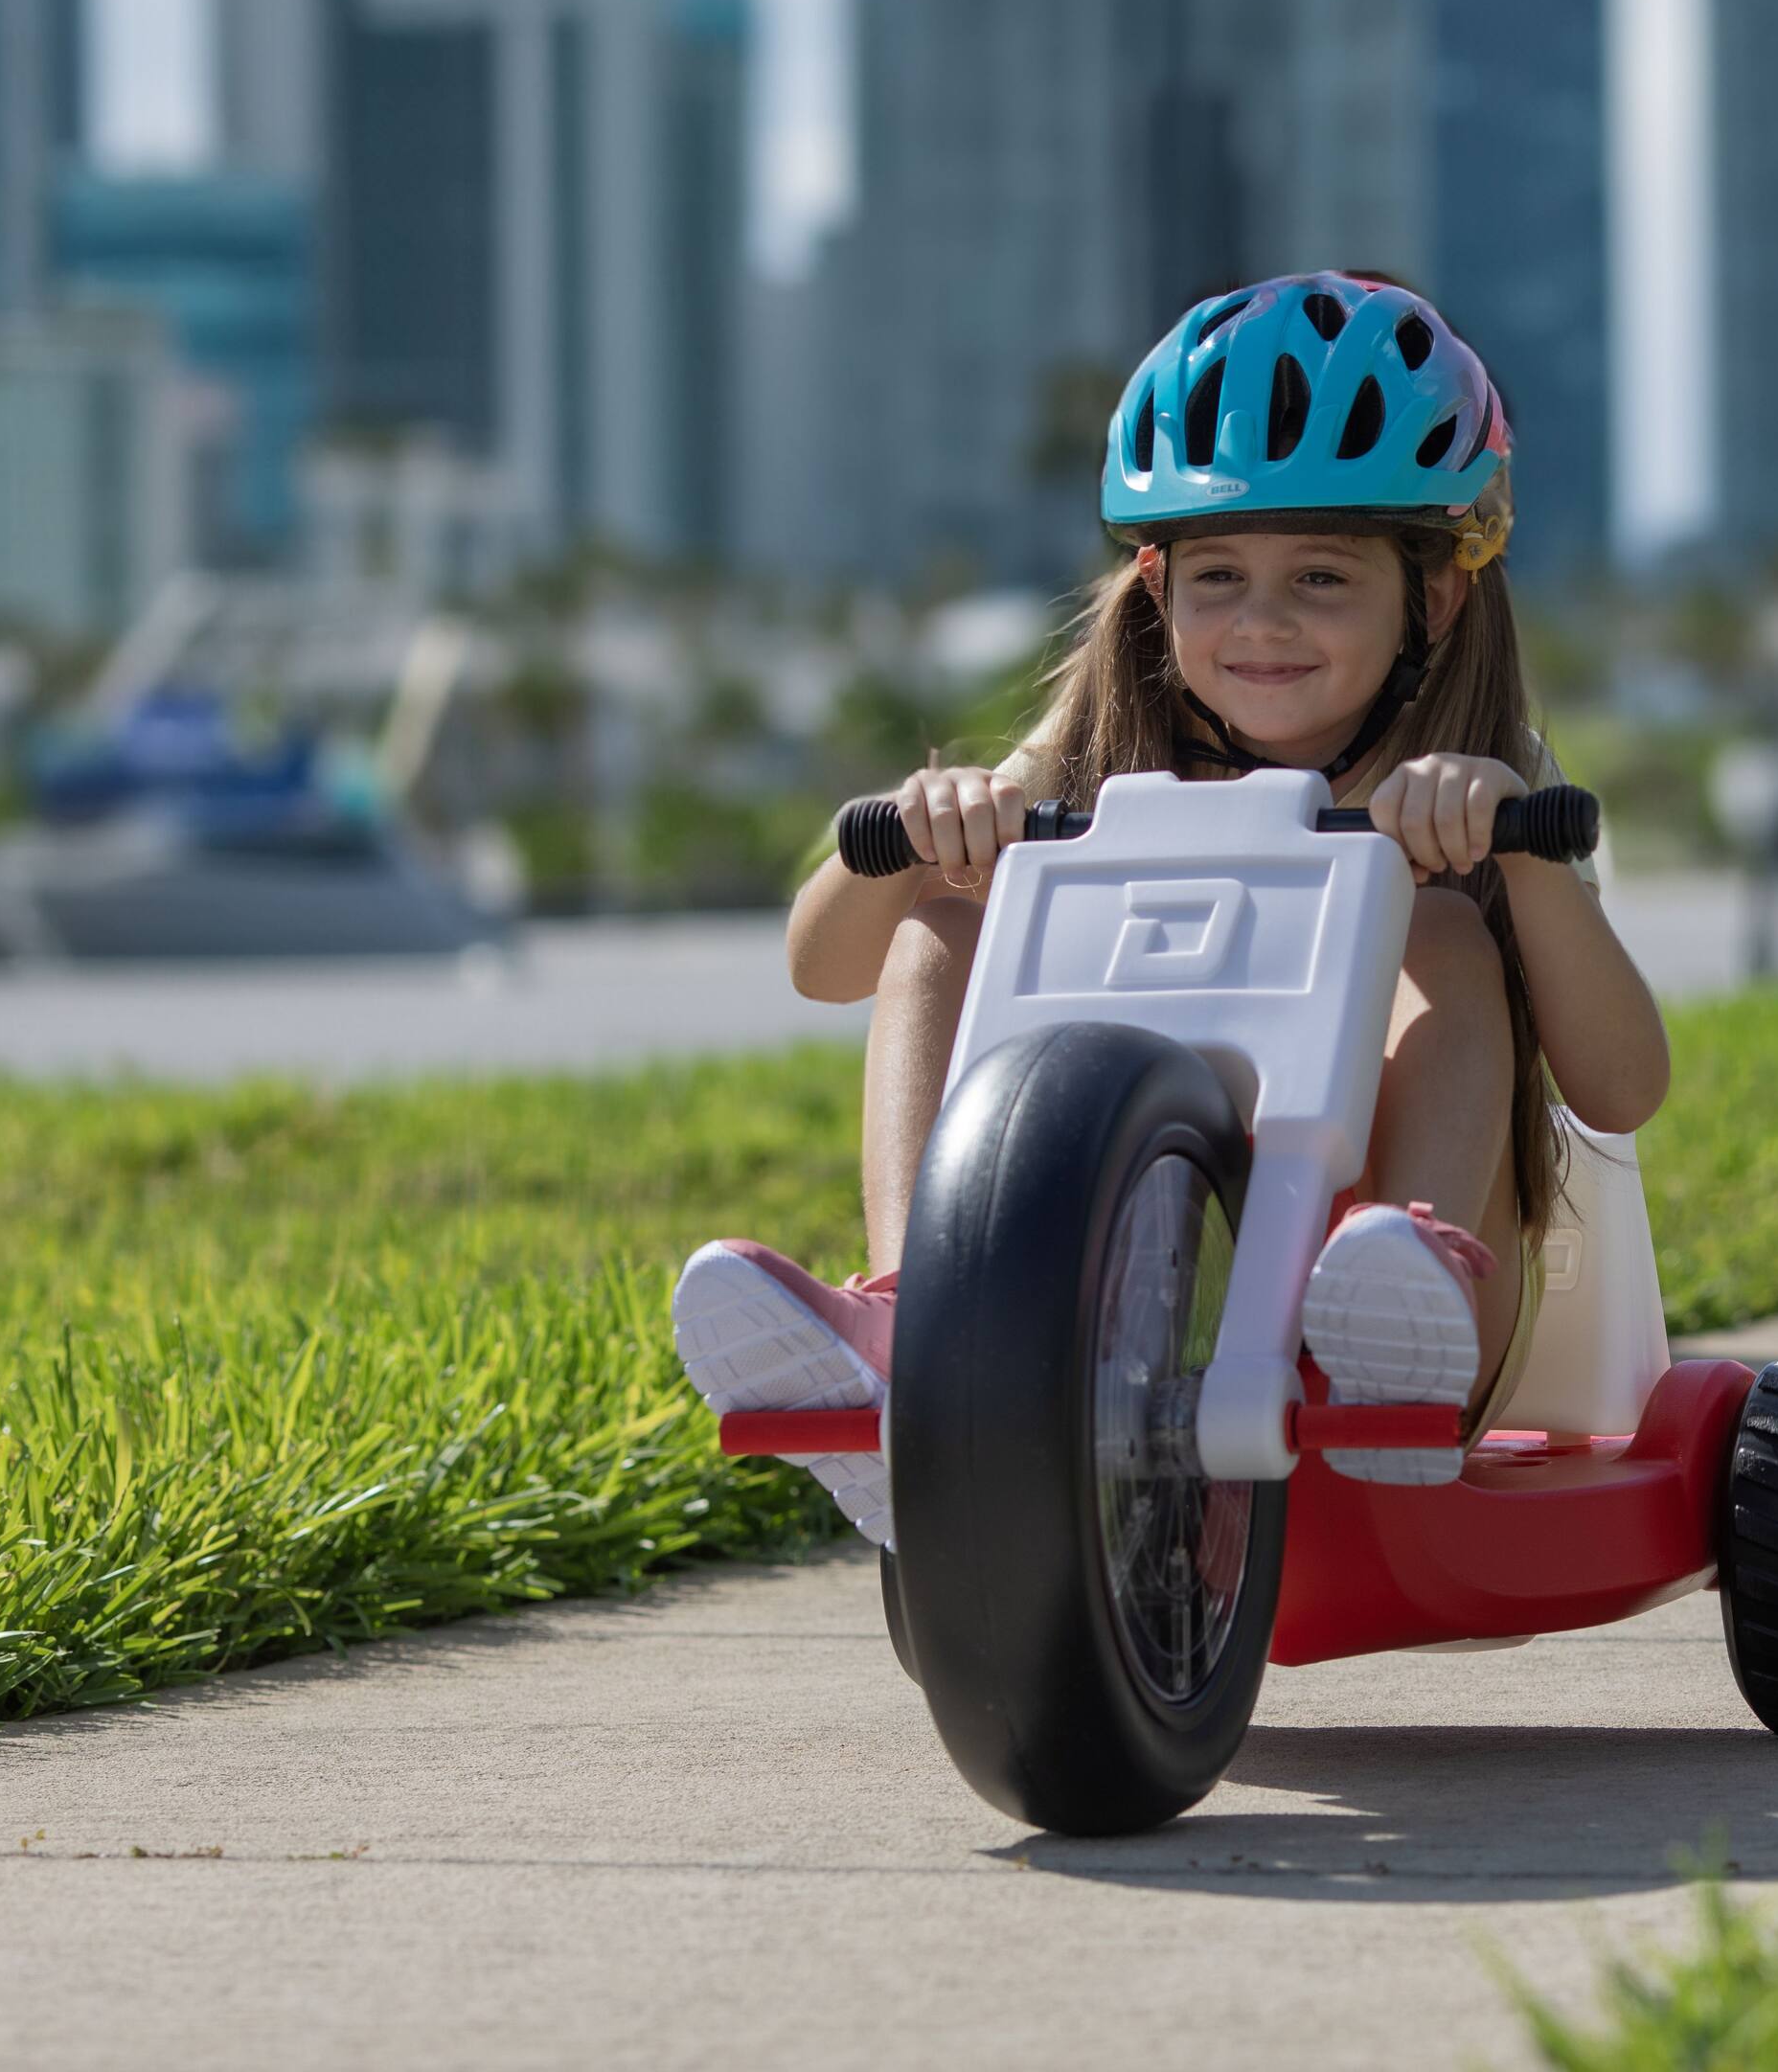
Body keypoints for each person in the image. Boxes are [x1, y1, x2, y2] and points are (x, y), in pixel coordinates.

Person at [670, 273, 1670, 1546]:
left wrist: (1522, 860)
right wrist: (920, 839)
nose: (1262, 624)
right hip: (1130, 1298)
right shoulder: (1098, 747)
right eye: (1218, 577)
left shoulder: (1487, 781)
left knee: (1436, 931)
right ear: (1155, 583)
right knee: (941, 926)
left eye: (1322, 578)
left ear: (1434, 595)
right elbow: (821, 968)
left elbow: (1621, 1090)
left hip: (1398, 1352)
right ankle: (917, 1328)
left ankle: (1398, 1276)